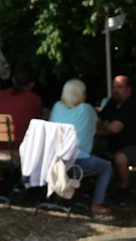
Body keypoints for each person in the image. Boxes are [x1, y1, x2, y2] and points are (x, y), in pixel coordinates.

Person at [47, 79, 113, 214]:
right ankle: (97, 204)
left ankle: (58, 196)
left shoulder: (56, 107)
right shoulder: (87, 109)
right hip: (78, 160)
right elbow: (98, 126)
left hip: (54, 159)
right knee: (106, 167)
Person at [99, 74, 136, 197]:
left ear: (129, 89)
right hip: (115, 144)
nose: (116, 90)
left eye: (120, 87)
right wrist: (104, 126)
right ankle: (99, 187)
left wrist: (104, 126)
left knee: (120, 157)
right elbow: (99, 119)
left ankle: (124, 189)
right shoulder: (112, 102)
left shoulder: (132, 105)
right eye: (114, 87)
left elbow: (115, 128)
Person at [0, 67, 45, 146]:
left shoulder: (0, 95)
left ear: (13, 80)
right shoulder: (34, 99)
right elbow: (38, 123)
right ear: (32, 84)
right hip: (16, 145)